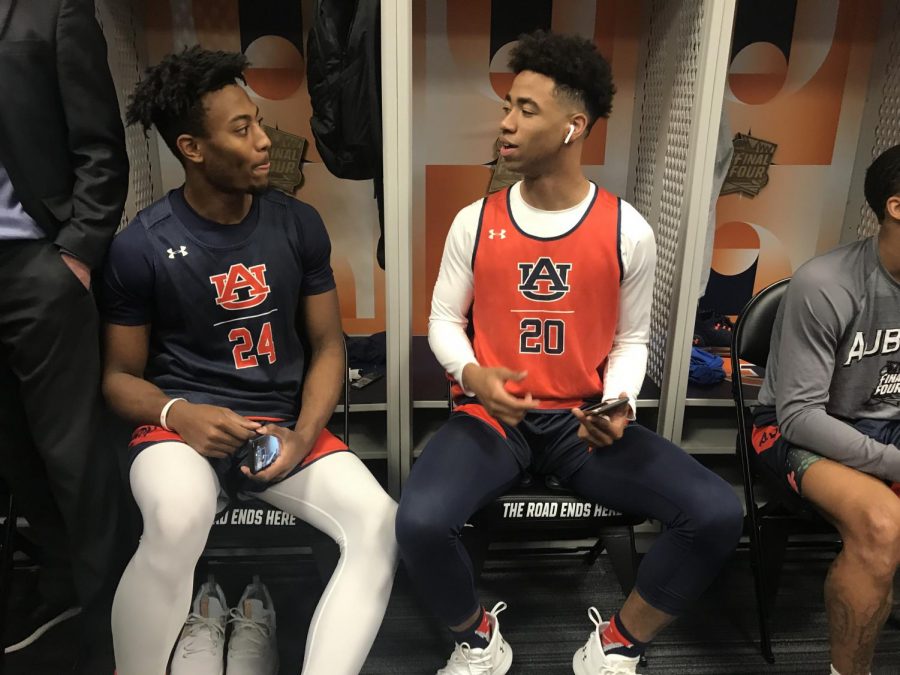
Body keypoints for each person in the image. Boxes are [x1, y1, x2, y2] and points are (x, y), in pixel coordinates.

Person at [395, 30, 744, 675]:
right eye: (508, 105)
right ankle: (476, 638)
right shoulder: (475, 221)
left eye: (527, 109)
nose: (506, 122)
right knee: (418, 523)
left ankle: (618, 642)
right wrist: (472, 372)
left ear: (573, 126)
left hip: (583, 424)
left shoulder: (626, 229)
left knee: (718, 512)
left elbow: (631, 339)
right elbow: (444, 320)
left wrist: (617, 403)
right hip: (492, 420)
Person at [102, 46, 397, 675]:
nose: (266, 141)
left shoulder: (298, 224)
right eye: (243, 129)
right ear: (193, 148)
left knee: (380, 524)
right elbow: (117, 381)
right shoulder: (140, 247)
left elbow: (328, 346)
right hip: (180, 430)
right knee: (177, 519)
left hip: (281, 426)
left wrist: (303, 434)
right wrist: (180, 412)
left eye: (259, 121)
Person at [0, 0, 128, 667]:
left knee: (75, 457)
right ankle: (58, 591)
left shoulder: (51, 12)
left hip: (36, 263)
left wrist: (76, 255)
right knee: (14, 451)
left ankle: (115, 627)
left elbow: (100, 144)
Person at [752, 144, 900, 675]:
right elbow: (798, 416)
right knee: (882, 524)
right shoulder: (827, 284)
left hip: (890, 426)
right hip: (801, 431)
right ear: (897, 207)